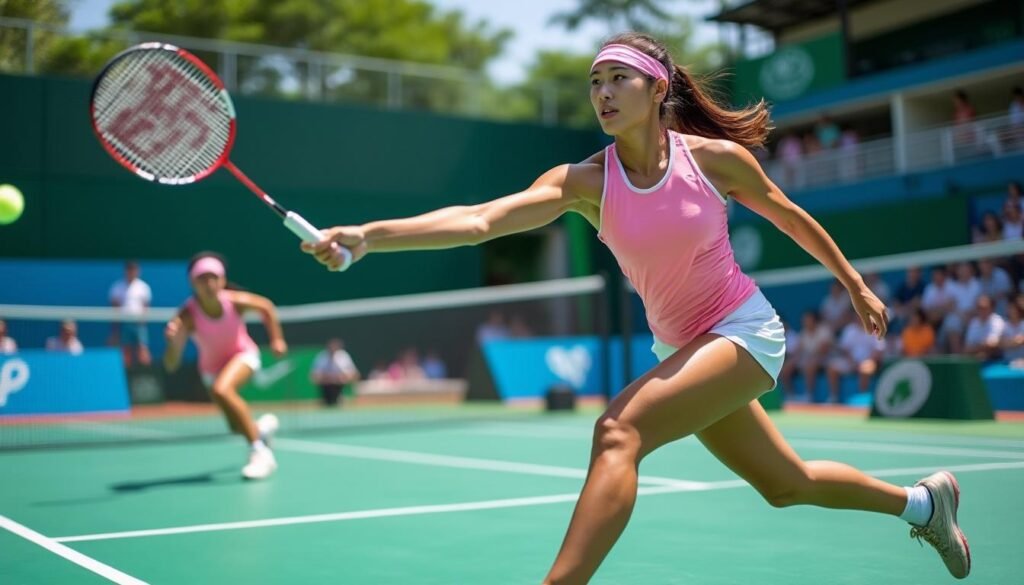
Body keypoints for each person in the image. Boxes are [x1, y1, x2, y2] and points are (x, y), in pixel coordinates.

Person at [302, 32, 969, 582]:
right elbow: (479, 219)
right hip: (680, 347)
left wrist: (854, 283)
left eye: (618, 78)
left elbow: (791, 218)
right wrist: (367, 238)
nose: (602, 93)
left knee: (618, 432)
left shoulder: (715, 161)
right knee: (785, 483)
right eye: (595, 82)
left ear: (656, 89)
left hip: (743, 330)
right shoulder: (585, 183)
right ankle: (922, 503)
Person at [163, 252, 285, 480]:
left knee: (223, 389)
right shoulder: (186, 315)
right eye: (202, 279)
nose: (208, 284)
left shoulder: (235, 301)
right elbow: (171, 364)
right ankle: (261, 430)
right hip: (211, 369)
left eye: (213, 277)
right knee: (235, 426)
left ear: (222, 280)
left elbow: (266, 307)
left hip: (243, 356)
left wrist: (277, 339)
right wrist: (172, 343)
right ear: (193, 283)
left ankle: (260, 454)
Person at [108, 260, 153, 367]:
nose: (131, 272)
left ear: (137, 271)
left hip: (139, 325)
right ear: (125, 271)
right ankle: (127, 375)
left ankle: (146, 373)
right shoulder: (117, 287)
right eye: (129, 269)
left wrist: (142, 323)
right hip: (124, 324)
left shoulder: (143, 287)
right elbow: (115, 309)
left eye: (134, 269)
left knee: (143, 349)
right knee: (125, 351)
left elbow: (146, 307)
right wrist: (115, 331)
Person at [310, 338, 360, 406]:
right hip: (325, 383)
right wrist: (328, 377)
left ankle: (342, 396)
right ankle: (327, 398)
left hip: (340, 383)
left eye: (335, 347)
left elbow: (353, 373)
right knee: (328, 403)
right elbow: (315, 374)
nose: (333, 349)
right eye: (331, 347)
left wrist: (340, 377)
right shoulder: (321, 356)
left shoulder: (344, 356)